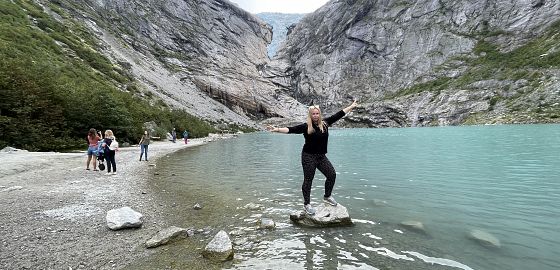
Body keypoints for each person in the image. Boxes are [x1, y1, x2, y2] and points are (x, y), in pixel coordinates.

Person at [267, 100, 358, 216]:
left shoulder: (325, 123)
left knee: (332, 174)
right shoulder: (306, 127)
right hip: (308, 156)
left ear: (320, 114)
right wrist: (277, 129)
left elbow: (339, 114)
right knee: (308, 180)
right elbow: (291, 129)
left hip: (321, 157)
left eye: (317, 113)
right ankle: (307, 204)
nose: (315, 115)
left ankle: (327, 196)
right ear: (310, 115)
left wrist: (351, 106)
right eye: (313, 114)